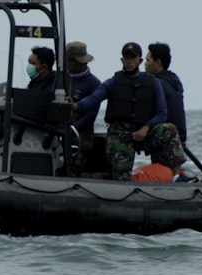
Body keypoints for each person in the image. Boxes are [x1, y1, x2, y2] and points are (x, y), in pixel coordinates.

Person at [73, 42, 188, 181]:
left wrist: (146, 128)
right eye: (126, 58)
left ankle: (177, 176)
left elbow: (162, 113)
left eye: (133, 58)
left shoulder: (153, 83)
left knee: (169, 129)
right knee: (121, 177)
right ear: (122, 60)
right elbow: (94, 98)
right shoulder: (114, 82)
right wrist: (76, 106)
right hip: (120, 135)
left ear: (139, 61)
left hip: (144, 133)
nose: (129, 61)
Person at [145, 42, 187, 144]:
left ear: (158, 62)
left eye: (147, 60)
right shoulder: (173, 80)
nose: (145, 64)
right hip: (179, 138)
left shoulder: (157, 84)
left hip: (166, 138)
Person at [65, 41, 102, 150]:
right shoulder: (59, 78)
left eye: (72, 62)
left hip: (81, 136)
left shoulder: (94, 83)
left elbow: (91, 115)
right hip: (58, 133)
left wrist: (72, 130)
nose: (68, 64)